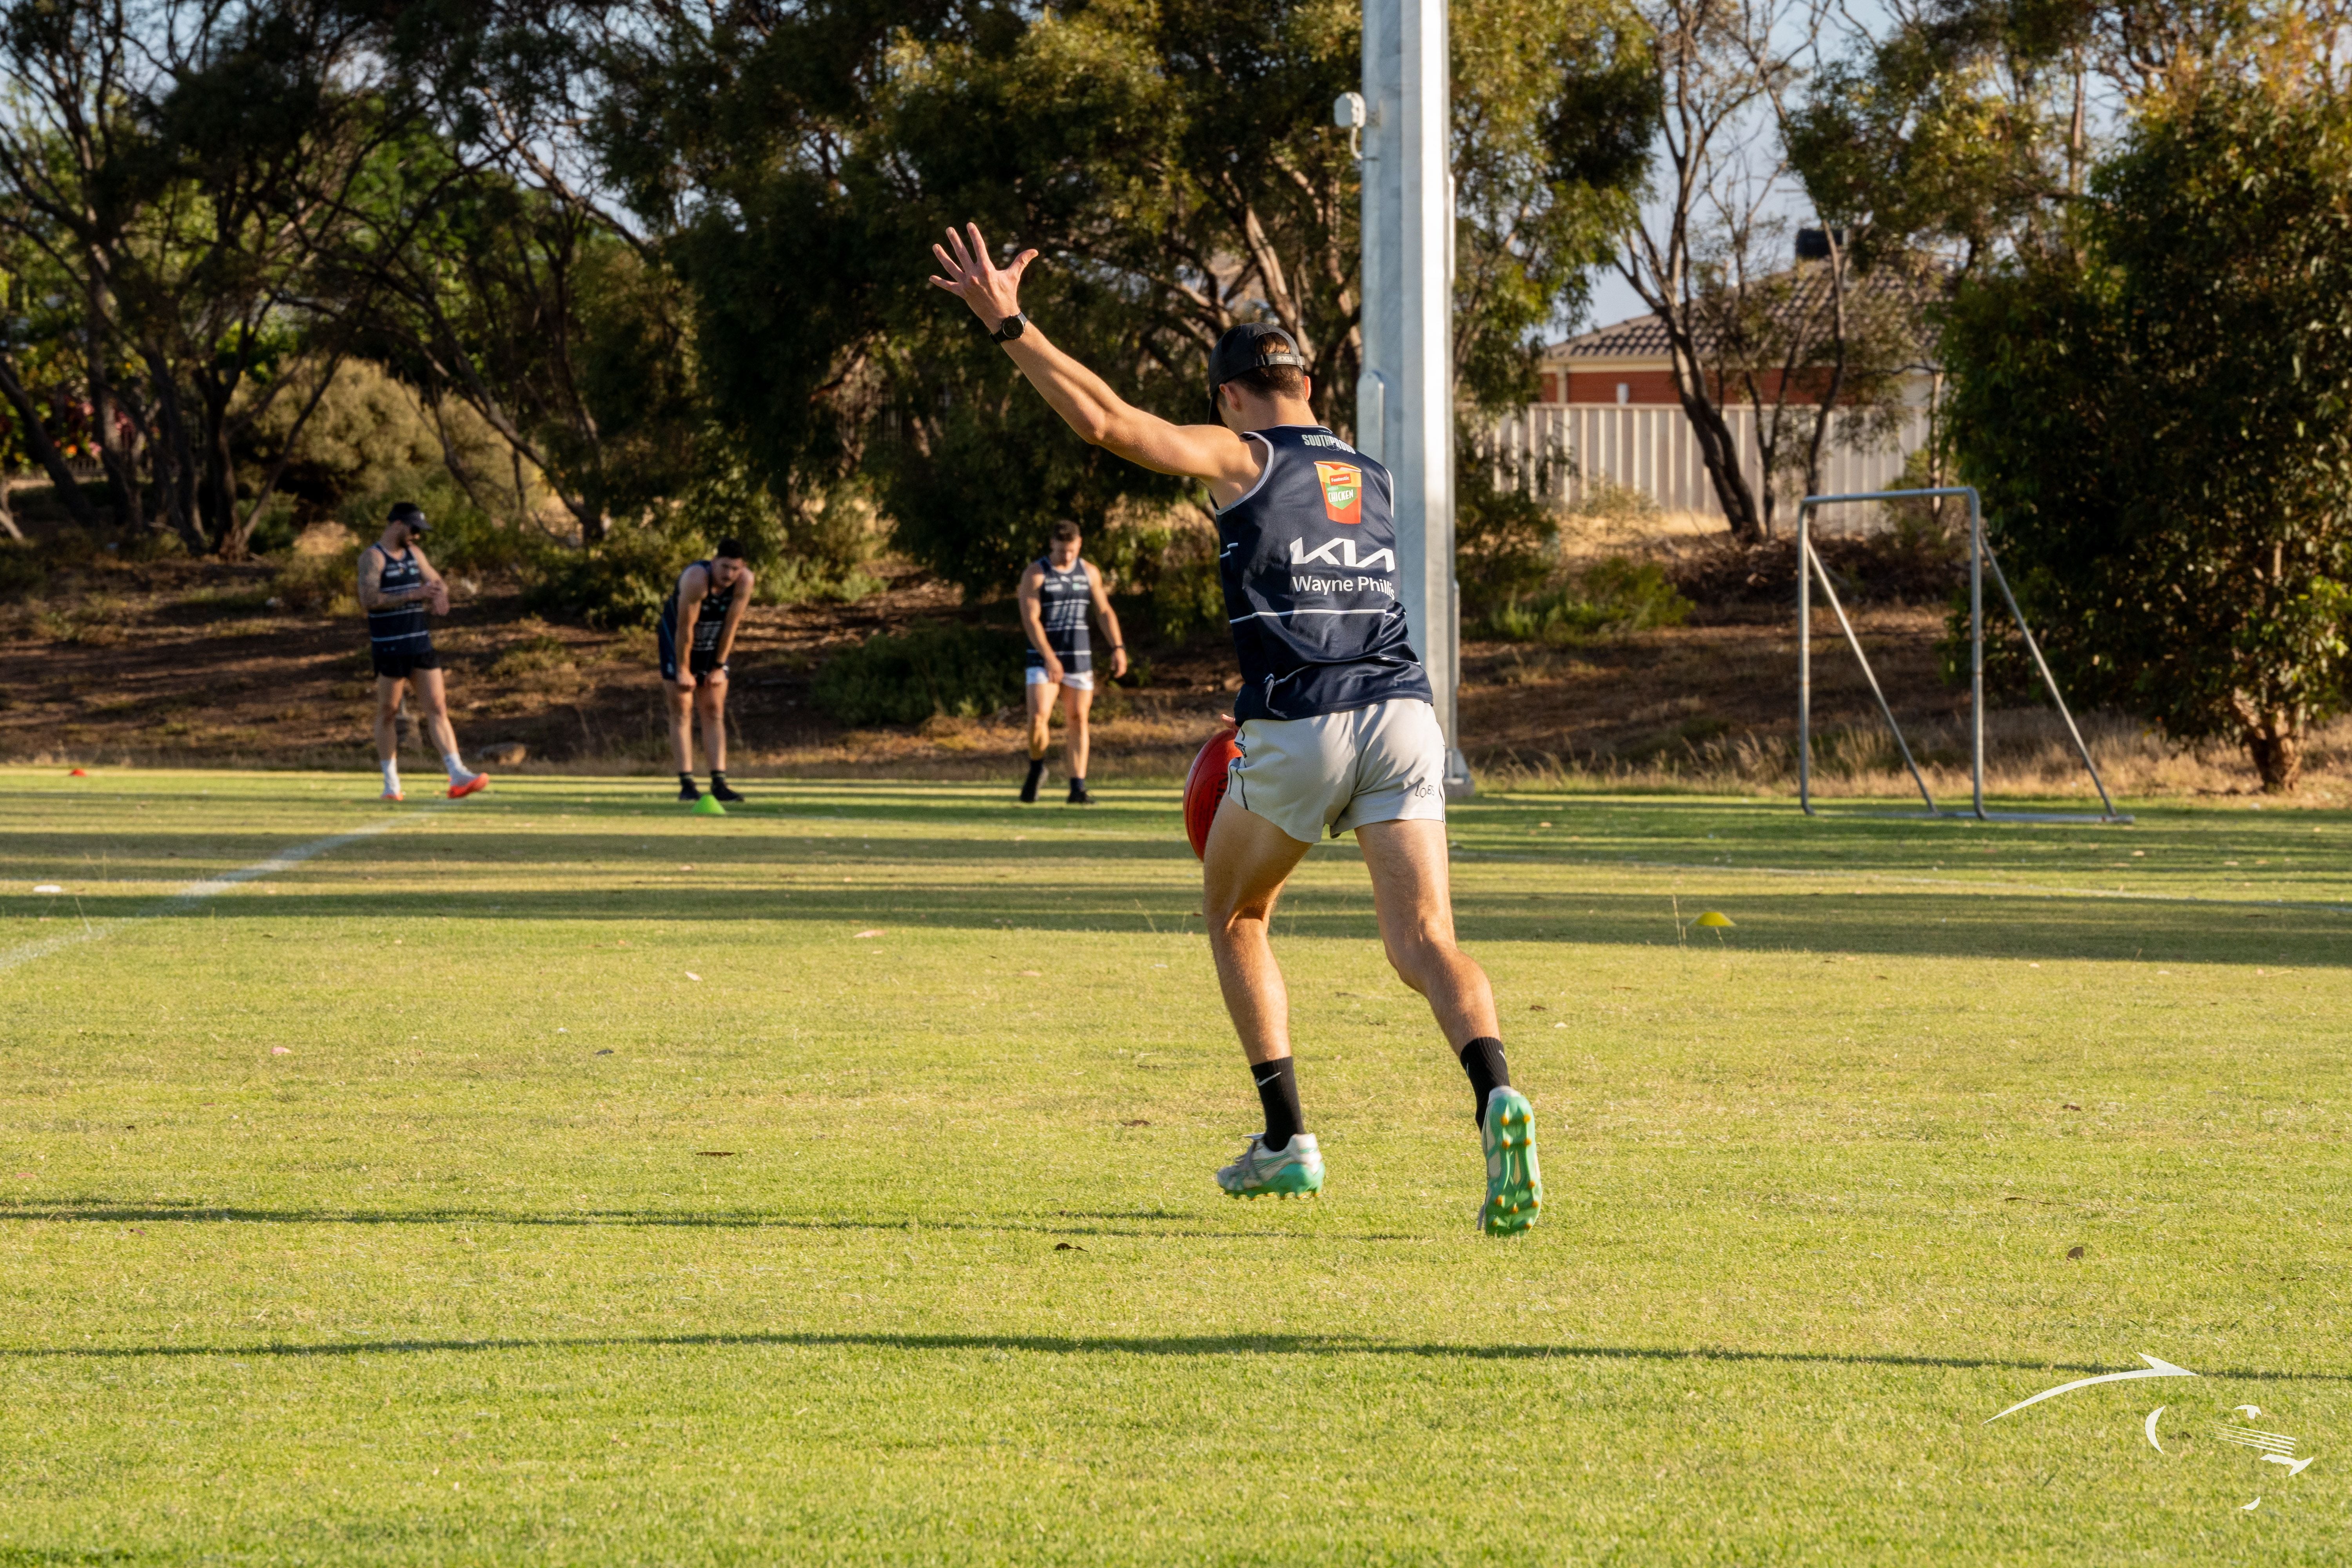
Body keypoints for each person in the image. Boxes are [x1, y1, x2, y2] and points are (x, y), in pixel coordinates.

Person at [928, 223, 1539, 1234]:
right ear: (1305, 382)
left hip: (1306, 727)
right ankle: (1496, 1093)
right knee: (1428, 938)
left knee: (1236, 913)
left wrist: (1009, 322)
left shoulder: (1241, 452)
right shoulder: (1369, 476)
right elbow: (1326, 596)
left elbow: (1109, 424)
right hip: (1404, 715)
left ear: (1230, 397)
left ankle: (1287, 1136)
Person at [357, 502, 487, 802]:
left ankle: (458, 775)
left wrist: (441, 594)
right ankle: (392, 785)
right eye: (415, 529)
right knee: (388, 713)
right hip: (390, 646)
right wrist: (413, 594)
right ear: (399, 525)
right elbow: (369, 598)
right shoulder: (373, 557)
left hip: (420, 644)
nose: (417, 536)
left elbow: (435, 579)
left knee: (438, 708)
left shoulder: (415, 554)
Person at [1015, 519, 1129, 804]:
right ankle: (1037, 766)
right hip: (1043, 657)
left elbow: (1104, 611)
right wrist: (1050, 658)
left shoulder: (1089, 572)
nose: (1068, 556)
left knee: (1078, 719)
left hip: (1079, 657)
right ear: (1052, 544)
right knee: (1039, 716)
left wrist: (1118, 647)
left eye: (1073, 551)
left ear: (1079, 545)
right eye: (1063, 550)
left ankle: (1077, 788)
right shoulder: (1036, 574)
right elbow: (1030, 620)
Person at [659, 540, 755, 802]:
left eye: (735, 569)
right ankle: (687, 784)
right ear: (714, 562)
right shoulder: (695, 579)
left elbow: (731, 627)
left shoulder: (745, 582)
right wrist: (682, 669)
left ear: (742, 568)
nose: (729, 574)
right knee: (682, 708)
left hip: (713, 639)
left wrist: (719, 666)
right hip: (678, 640)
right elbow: (685, 629)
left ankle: (719, 783)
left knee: (713, 709)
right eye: (724, 567)